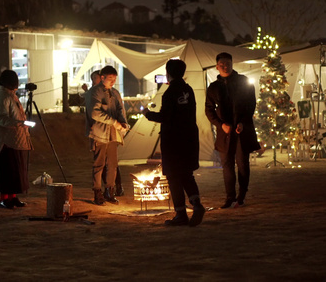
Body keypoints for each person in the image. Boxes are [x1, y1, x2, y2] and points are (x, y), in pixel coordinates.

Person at [142, 59, 205, 227]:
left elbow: (164, 117)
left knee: (173, 177)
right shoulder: (188, 90)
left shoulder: (169, 93)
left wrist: (147, 113)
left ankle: (181, 214)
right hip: (190, 137)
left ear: (168, 73)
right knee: (187, 174)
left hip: (173, 140)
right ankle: (197, 204)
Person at [205, 52, 261, 209]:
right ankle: (230, 196)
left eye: (227, 63)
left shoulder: (243, 82)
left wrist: (243, 122)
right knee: (227, 165)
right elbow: (208, 110)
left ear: (232, 63)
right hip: (225, 133)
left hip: (242, 130)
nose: (225, 66)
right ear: (217, 66)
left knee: (243, 164)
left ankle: (241, 196)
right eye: (222, 64)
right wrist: (220, 124)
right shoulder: (214, 87)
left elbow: (251, 104)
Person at [85, 65, 128, 205]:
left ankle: (110, 190)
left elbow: (121, 110)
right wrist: (113, 122)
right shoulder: (94, 92)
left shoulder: (115, 93)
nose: (112, 81)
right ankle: (97, 192)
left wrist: (123, 123)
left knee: (113, 164)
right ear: (102, 77)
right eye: (110, 78)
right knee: (99, 164)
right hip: (99, 133)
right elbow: (94, 113)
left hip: (114, 135)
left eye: (114, 79)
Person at [0, 70, 34, 209]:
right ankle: (4, 199)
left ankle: (13, 197)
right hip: (6, 142)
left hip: (15, 140)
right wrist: (19, 123)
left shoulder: (12, 96)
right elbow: (2, 119)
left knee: (16, 171)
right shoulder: (3, 97)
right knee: (7, 171)